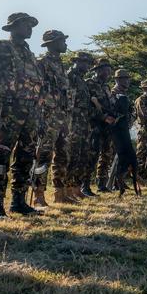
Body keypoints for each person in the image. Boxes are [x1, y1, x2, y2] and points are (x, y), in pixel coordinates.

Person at [0, 12, 44, 216]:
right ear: (13, 26)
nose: (30, 29)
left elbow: (38, 87)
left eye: (31, 25)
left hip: (31, 111)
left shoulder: (30, 54)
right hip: (8, 108)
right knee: (0, 156)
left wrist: (40, 116)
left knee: (26, 156)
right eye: (26, 24)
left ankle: (18, 201)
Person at [34, 29, 72, 206]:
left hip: (62, 116)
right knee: (44, 155)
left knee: (63, 154)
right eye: (62, 41)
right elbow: (38, 90)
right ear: (53, 43)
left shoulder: (61, 65)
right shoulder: (42, 63)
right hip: (47, 116)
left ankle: (59, 193)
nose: (65, 44)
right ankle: (39, 194)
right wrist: (40, 117)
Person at [64, 51, 96, 200]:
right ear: (76, 62)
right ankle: (67, 190)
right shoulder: (70, 76)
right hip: (73, 122)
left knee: (82, 156)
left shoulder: (82, 80)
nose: (86, 66)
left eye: (88, 63)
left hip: (84, 122)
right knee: (72, 155)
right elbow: (68, 102)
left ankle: (76, 189)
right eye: (83, 62)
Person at [86, 57, 115, 193]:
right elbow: (87, 106)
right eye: (105, 70)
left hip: (107, 126)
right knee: (92, 155)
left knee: (106, 154)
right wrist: (103, 117)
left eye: (109, 70)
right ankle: (85, 185)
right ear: (97, 70)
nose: (108, 73)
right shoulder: (89, 83)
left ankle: (101, 184)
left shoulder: (106, 87)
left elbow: (109, 105)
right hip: (94, 124)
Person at [107, 69, 138, 191]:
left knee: (121, 157)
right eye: (125, 79)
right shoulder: (113, 93)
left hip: (124, 129)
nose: (128, 81)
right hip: (115, 130)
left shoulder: (124, 93)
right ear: (118, 80)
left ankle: (118, 182)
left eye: (128, 79)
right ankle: (110, 184)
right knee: (115, 156)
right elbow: (112, 112)